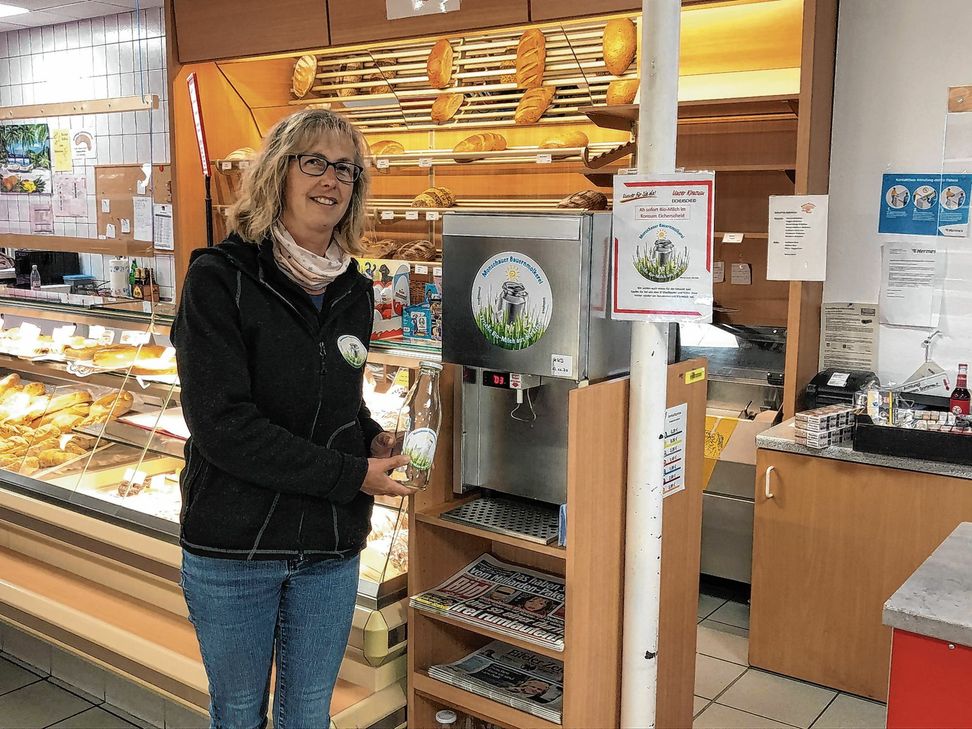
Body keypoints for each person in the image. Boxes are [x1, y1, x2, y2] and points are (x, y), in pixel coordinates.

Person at [172, 108, 413, 729]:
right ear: (278, 172)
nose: (330, 180)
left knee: (308, 715)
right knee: (239, 713)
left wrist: (370, 435)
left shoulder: (353, 290)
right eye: (314, 162)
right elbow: (224, 427)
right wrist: (353, 472)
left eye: (345, 170)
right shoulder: (219, 279)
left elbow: (336, 397)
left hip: (329, 545)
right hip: (237, 543)